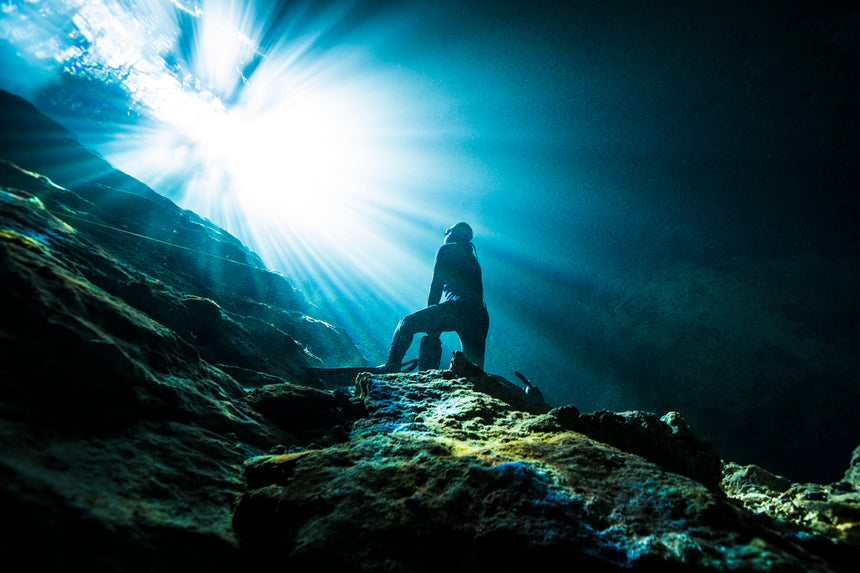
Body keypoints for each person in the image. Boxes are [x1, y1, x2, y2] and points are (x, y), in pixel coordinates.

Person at [384, 222, 490, 371]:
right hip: (481, 318)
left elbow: (436, 288)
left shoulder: (447, 249)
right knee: (473, 369)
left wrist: (432, 327)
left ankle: (390, 367)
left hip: (459, 310)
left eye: (447, 231)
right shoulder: (472, 258)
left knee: (406, 324)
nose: (445, 234)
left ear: (453, 234)